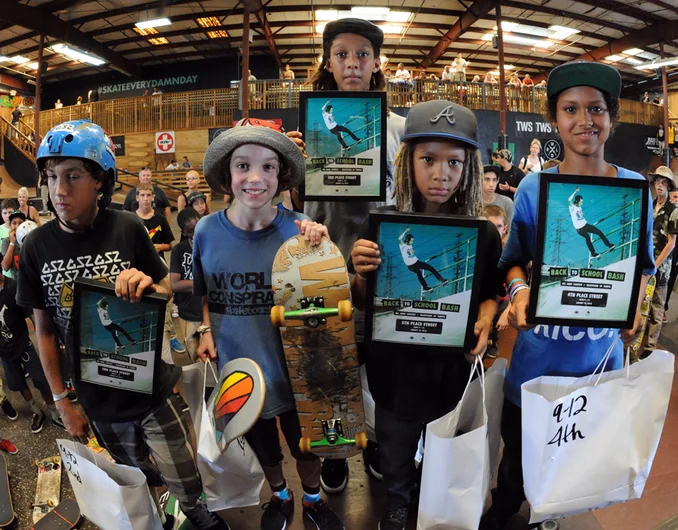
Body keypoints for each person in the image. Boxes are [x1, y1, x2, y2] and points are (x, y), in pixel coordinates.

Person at [18, 120, 229, 530]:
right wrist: (64, 403)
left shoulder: (127, 227)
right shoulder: (36, 247)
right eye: (52, 177)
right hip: (98, 399)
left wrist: (151, 282)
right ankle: (156, 516)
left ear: (101, 181)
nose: (59, 190)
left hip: (152, 387)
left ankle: (197, 514)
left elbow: (169, 284)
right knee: (135, 479)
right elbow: (43, 332)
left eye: (73, 177)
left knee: (186, 479)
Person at [479, 60, 655, 530]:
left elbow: (641, 266)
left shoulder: (634, 189)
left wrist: (633, 307)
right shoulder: (536, 188)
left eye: (596, 109)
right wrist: (518, 295)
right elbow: (512, 260)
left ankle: (548, 515)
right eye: (571, 109)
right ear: (555, 119)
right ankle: (504, 509)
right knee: (515, 458)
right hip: (536, 363)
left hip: (595, 366)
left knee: (568, 461)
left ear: (612, 118)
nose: (585, 121)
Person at [350, 99, 502, 530]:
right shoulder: (380, 226)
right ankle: (398, 504)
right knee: (395, 449)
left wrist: (487, 318)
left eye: (454, 162)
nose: (441, 174)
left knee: (445, 447)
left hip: (450, 370)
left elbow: (491, 292)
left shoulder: (483, 234)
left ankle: (436, 506)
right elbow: (364, 301)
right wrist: (359, 272)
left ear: (468, 168)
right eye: (428, 159)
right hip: (394, 370)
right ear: (407, 161)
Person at [195, 121, 343, 530]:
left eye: (268, 167)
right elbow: (203, 292)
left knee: (306, 446)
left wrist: (322, 248)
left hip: (297, 370)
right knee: (263, 444)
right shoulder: (206, 232)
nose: (255, 178)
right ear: (228, 176)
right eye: (243, 166)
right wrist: (205, 330)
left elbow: (327, 294)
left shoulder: (300, 229)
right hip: (242, 371)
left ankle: (313, 499)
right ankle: (280, 494)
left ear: (281, 177)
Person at [298, 17, 406, 493]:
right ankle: (337, 450)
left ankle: (379, 443)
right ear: (328, 61)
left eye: (363, 54)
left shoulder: (400, 130)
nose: (353, 63)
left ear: (377, 63)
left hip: (381, 276)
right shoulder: (306, 127)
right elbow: (292, 206)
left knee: (380, 370)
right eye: (342, 54)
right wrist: (292, 165)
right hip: (325, 269)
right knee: (330, 372)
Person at [0, 270, 65, 433]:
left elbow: (31, 315)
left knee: (42, 380)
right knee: (18, 383)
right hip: (5, 352)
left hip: (23, 345)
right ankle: (36, 412)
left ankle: (54, 413)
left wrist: (44, 340)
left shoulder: (13, 287)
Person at [135, 182, 184, 359]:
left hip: (158, 268)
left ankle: (170, 336)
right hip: (138, 271)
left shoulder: (160, 220)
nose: (145, 199)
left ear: (153, 198)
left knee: (166, 303)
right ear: (137, 197)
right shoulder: (131, 220)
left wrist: (158, 247)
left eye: (148, 195)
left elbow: (170, 245)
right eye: (142, 195)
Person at [644, 166, 678, 357]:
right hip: (645, 264)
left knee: (657, 307)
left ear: (669, 186)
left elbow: (671, 244)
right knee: (641, 304)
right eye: (658, 181)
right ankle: (635, 344)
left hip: (661, 267)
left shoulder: (673, 211)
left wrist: (655, 265)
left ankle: (649, 348)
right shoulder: (650, 205)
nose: (660, 185)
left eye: (664, 182)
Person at [169, 207, 202, 362]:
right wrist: (203, 283)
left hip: (210, 311)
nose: (195, 235)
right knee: (194, 352)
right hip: (188, 313)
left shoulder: (212, 246)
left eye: (198, 229)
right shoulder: (179, 251)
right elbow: (175, 284)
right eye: (190, 232)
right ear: (184, 232)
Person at [482, 204, 511, 359]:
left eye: (498, 226)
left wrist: (508, 311)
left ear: (505, 229)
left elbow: (522, 283)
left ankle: (493, 338)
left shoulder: (510, 251)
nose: (494, 231)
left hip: (504, 298)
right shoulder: (476, 249)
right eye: (490, 226)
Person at [568, 186, 615, 258]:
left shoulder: (579, 207)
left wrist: (582, 214)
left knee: (599, 232)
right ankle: (593, 253)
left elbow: (579, 214)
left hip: (585, 225)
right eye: (581, 202)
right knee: (587, 237)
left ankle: (609, 245)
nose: (582, 203)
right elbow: (569, 200)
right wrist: (575, 192)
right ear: (577, 201)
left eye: (582, 202)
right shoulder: (572, 207)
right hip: (580, 229)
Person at [397, 226, 448, 292]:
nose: (413, 242)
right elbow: (399, 239)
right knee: (419, 273)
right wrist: (406, 231)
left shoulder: (410, 246)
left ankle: (442, 280)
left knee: (430, 268)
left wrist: (413, 253)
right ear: (407, 240)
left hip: (416, 262)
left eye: (413, 241)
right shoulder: (402, 246)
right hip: (411, 266)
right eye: (412, 241)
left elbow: (411, 254)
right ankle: (425, 287)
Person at [1, 211, 28, 278]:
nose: (17, 226)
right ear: (10, 226)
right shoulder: (6, 241)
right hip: (16, 284)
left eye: (20, 223)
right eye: (14, 223)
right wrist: (12, 243)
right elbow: (5, 267)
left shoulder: (29, 239)